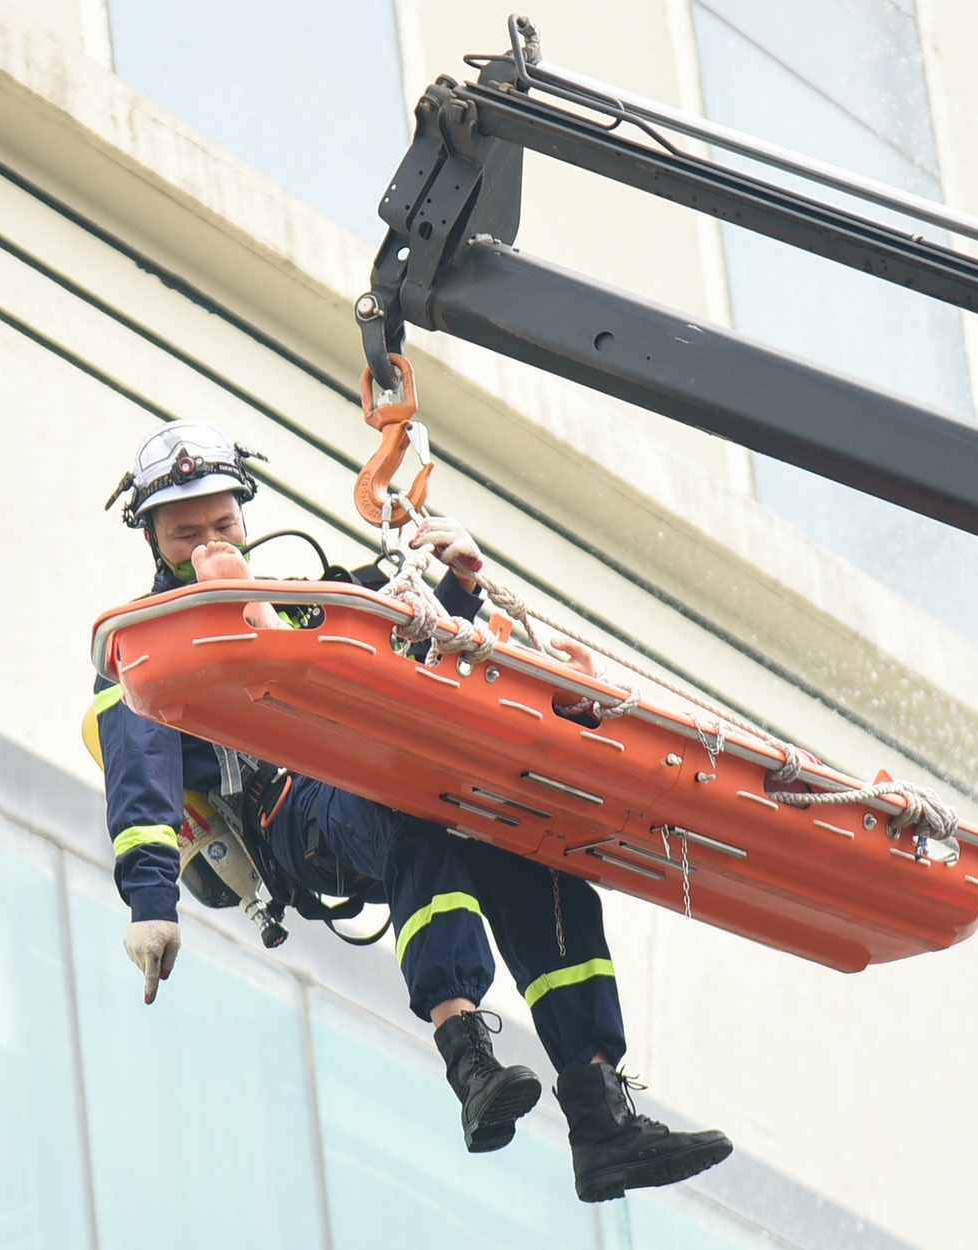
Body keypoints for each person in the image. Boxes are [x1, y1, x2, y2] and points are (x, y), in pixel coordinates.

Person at [86, 421, 732, 1202]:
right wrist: (150, 902)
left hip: (378, 777)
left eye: (222, 525)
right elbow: (141, 772)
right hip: (293, 816)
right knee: (409, 805)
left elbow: (397, 630)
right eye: (185, 533)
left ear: (246, 519)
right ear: (154, 541)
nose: (208, 543)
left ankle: (601, 1118)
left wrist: (455, 581)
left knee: (524, 851)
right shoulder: (149, 642)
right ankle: (468, 1057)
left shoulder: (295, 603)